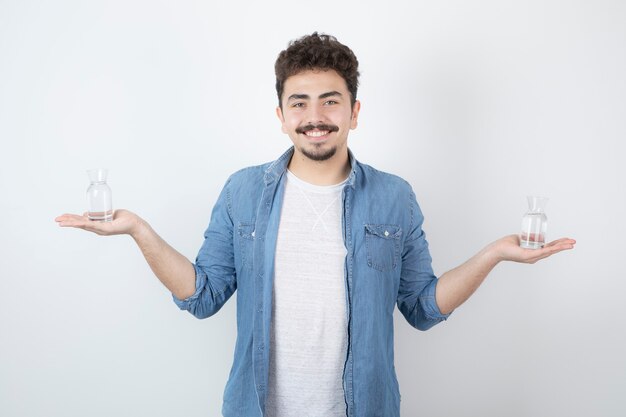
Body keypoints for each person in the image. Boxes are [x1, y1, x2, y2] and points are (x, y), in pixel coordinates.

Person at [55, 33, 575, 417]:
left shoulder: (394, 196)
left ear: (354, 111)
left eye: (331, 100)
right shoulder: (242, 191)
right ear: (281, 114)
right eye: (299, 102)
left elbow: (420, 306)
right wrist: (139, 231)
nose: (315, 115)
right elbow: (203, 295)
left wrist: (493, 254)